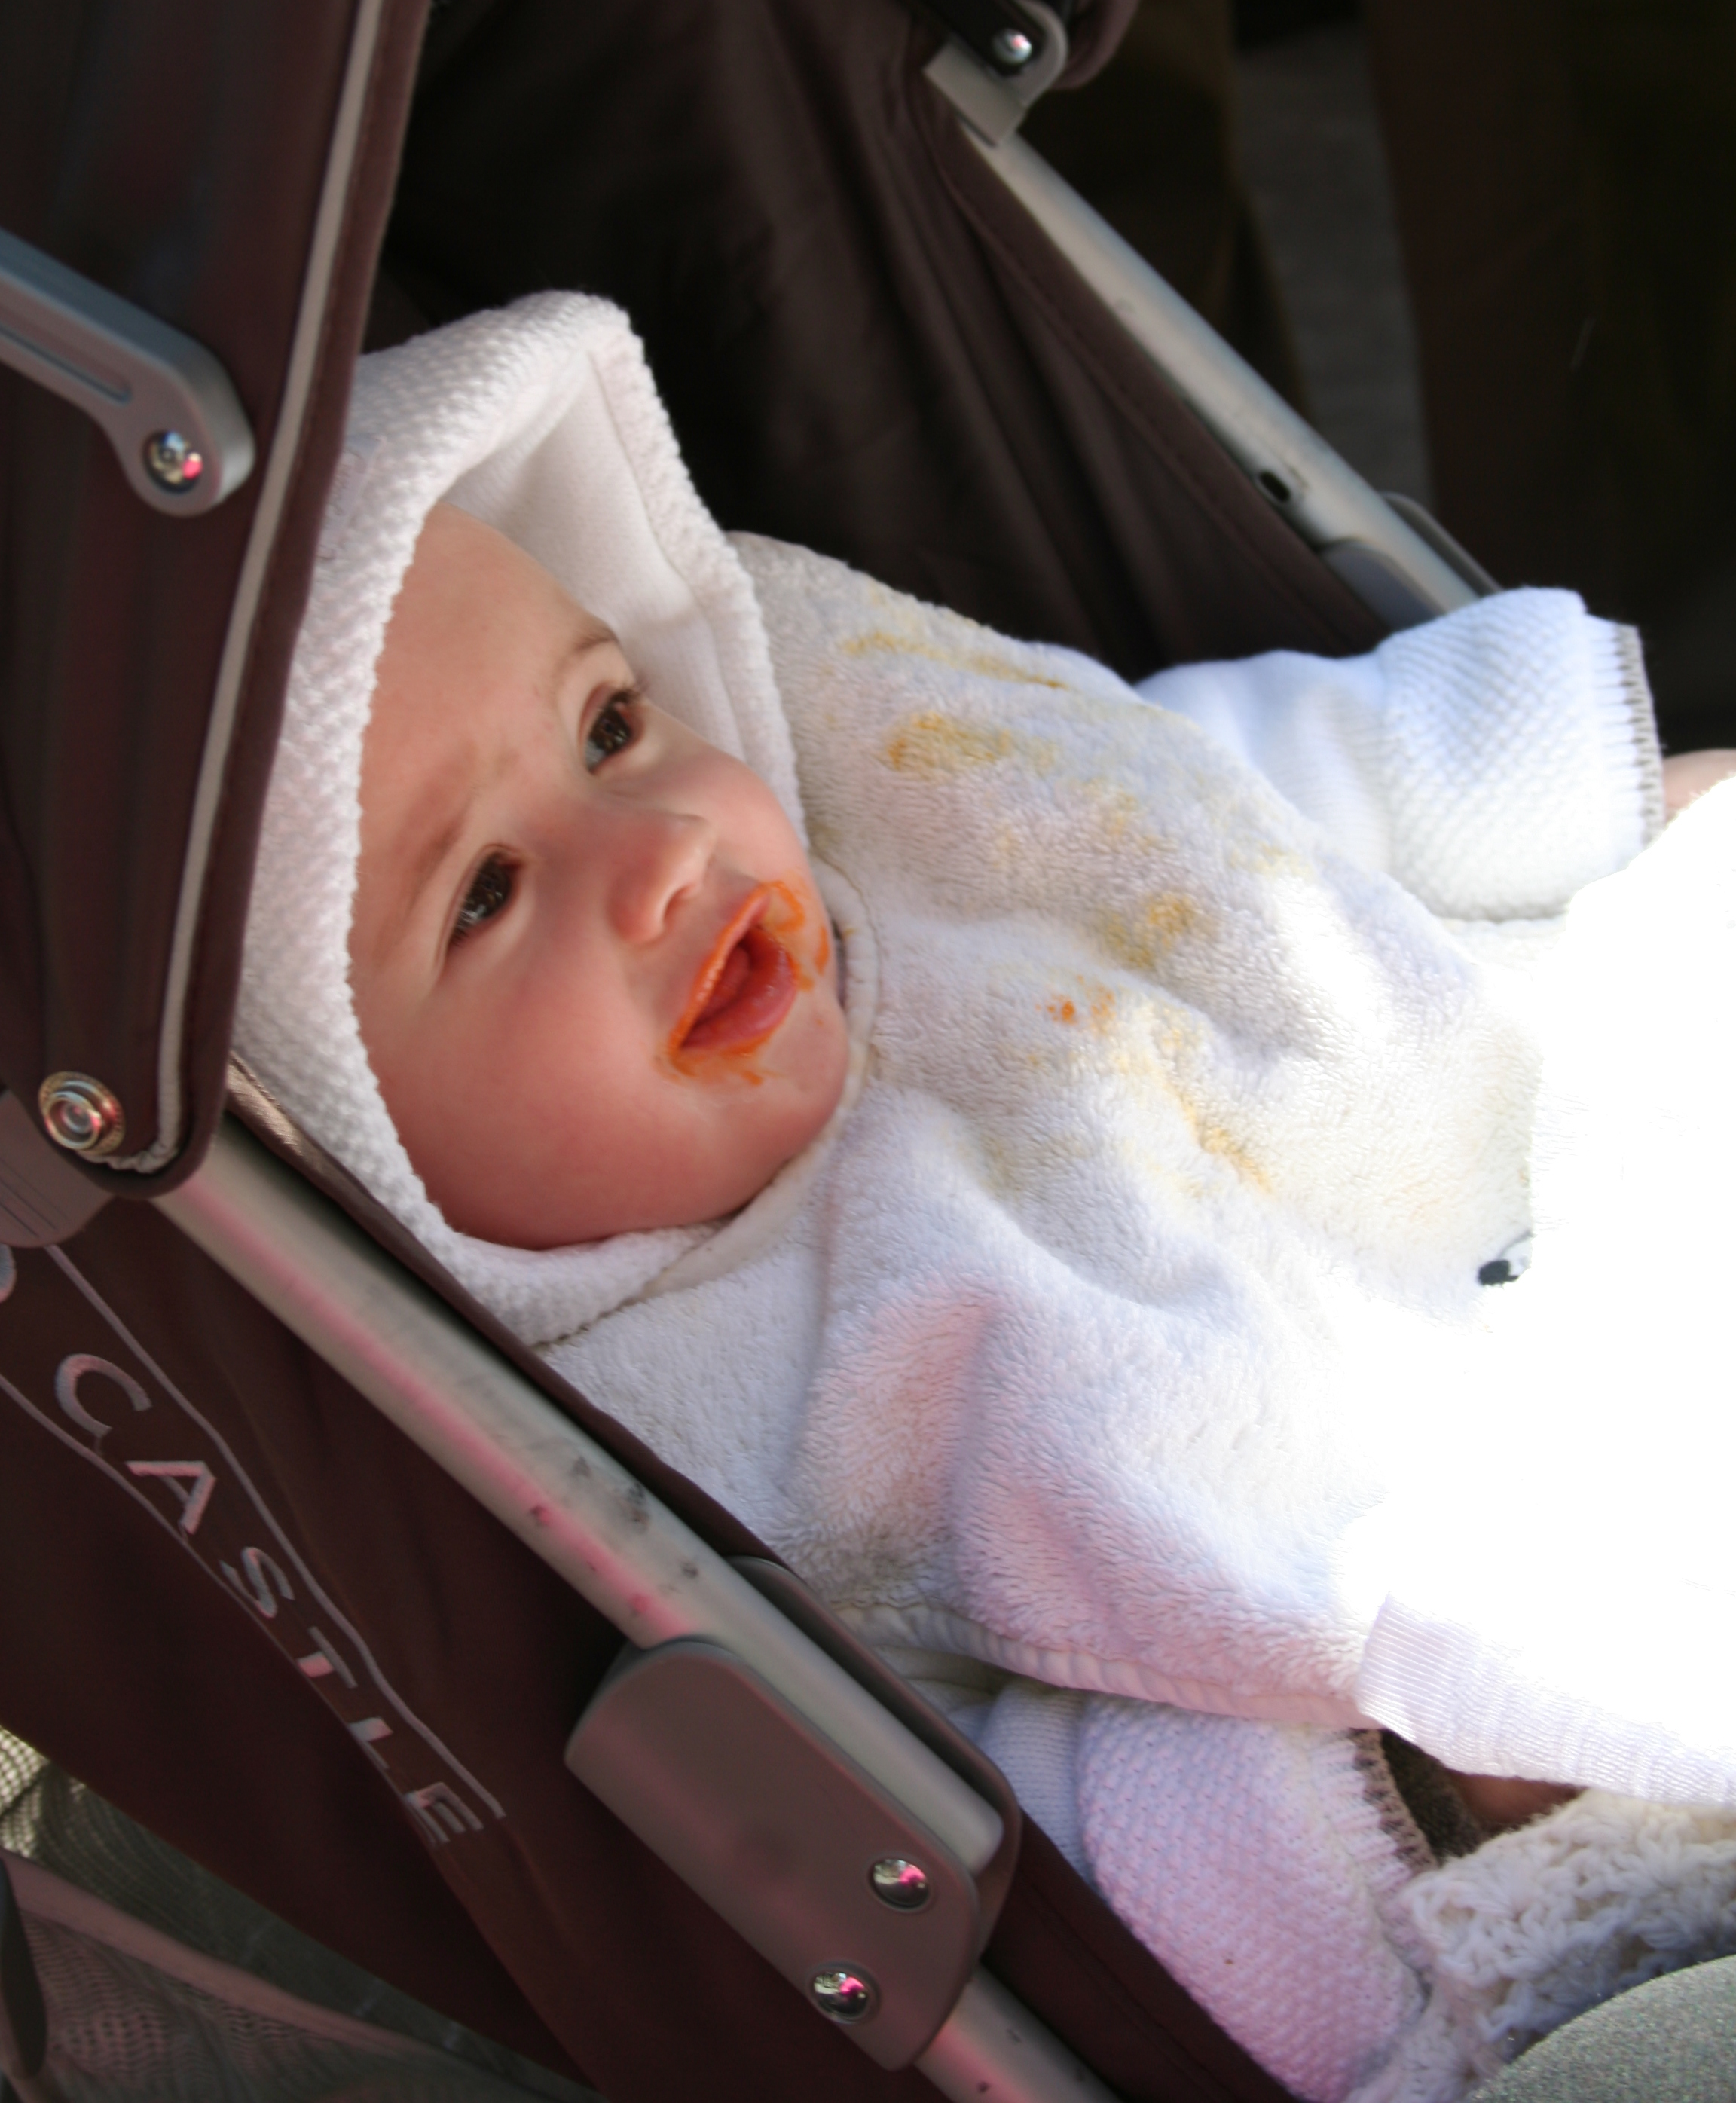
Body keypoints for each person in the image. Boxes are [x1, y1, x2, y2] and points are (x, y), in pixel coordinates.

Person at [239, 292, 1736, 2102]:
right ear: (338, 1125)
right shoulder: (645, 1460)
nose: (663, 854)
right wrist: (1426, 1782)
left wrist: (1623, 799)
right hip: (1504, 1694)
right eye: (483, 893)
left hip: (1583, 1171)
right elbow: (1024, 1863)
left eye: (612, 722)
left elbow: (1211, 814)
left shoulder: (912, 824)